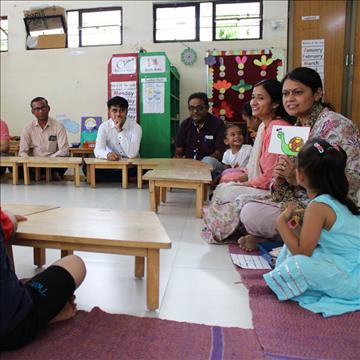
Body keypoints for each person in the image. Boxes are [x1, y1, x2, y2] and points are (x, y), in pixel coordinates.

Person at [239, 67, 360, 251]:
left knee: (253, 214)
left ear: (318, 93)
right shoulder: (294, 128)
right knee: (248, 210)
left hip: (332, 208)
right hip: (300, 199)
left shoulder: (337, 125)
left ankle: (288, 242)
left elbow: (350, 182)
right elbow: (279, 179)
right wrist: (283, 178)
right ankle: (288, 240)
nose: (290, 99)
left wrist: (296, 180)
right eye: (286, 94)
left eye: (298, 93)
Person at [264, 138, 360, 317]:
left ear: (299, 174)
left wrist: (281, 223)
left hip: (353, 277)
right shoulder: (335, 199)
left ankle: (302, 285)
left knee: (298, 264)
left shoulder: (318, 207)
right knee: (290, 251)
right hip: (348, 264)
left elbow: (302, 254)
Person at [202, 79, 294, 244]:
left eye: (260, 98)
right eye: (253, 97)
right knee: (226, 187)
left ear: (274, 104)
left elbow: (271, 178)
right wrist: (241, 181)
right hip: (265, 185)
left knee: (228, 191)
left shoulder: (280, 128)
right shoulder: (263, 127)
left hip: (277, 192)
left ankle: (245, 229)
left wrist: (243, 185)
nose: (254, 102)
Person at [0, 208, 86, 350]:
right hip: (13, 329)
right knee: (75, 263)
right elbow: (11, 224)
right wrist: (6, 215)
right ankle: (49, 317)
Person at [174, 92, 226, 178]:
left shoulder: (218, 124)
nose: (195, 111)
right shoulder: (185, 124)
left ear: (207, 108)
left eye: (199, 108)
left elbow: (219, 153)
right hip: (189, 164)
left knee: (208, 161)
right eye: (191, 108)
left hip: (209, 164)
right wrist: (179, 158)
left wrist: (199, 164)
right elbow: (179, 149)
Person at [91, 96, 142, 182]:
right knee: (87, 169)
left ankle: (121, 178)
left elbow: (132, 154)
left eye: (121, 110)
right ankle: (126, 179)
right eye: (114, 110)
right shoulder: (104, 127)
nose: (118, 114)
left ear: (126, 112)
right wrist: (107, 155)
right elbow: (98, 150)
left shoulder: (136, 127)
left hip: (130, 166)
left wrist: (119, 130)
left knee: (145, 170)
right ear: (109, 112)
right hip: (112, 165)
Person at [19, 97, 70, 180]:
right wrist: (31, 161)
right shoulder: (28, 127)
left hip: (53, 162)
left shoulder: (58, 126)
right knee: (15, 168)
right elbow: (22, 152)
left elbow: (64, 150)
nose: (41, 111)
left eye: (43, 108)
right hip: (34, 163)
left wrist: (48, 160)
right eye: (37, 109)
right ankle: (46, 175)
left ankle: (41, 175)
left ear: (48, 108)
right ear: (32, 112)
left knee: (66, 160)